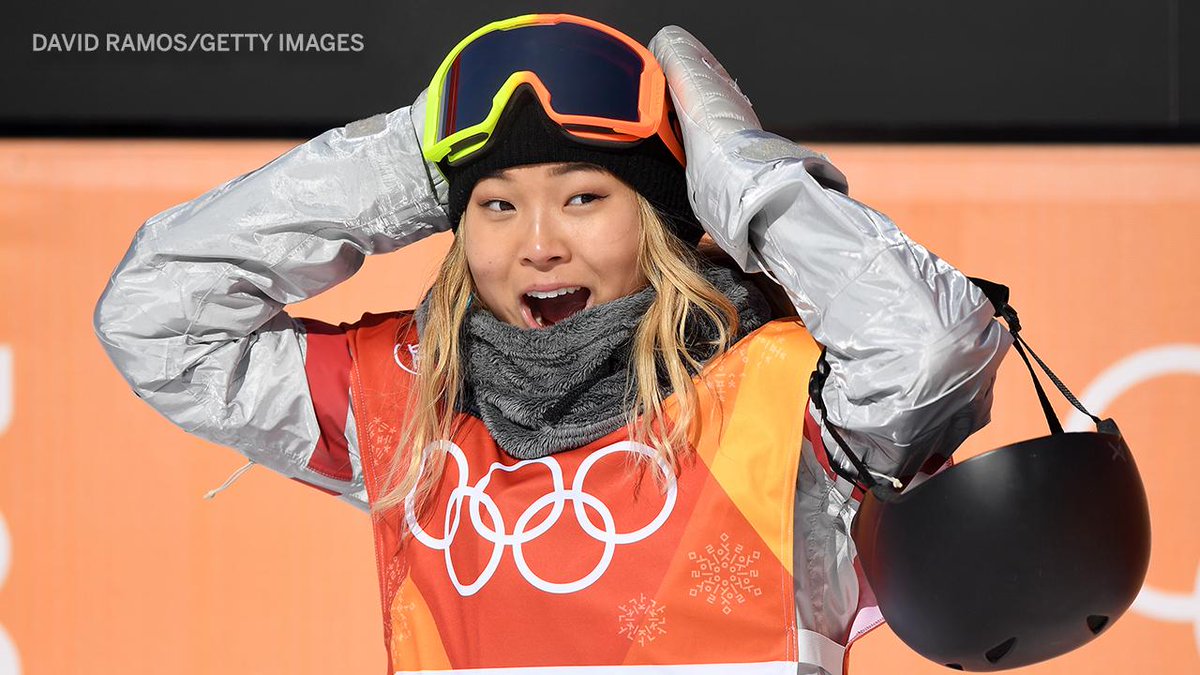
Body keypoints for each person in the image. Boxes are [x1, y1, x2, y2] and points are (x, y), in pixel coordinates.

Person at [94, 14, 1011, 675]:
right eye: (495, 204)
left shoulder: (783, 396)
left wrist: (744, 177)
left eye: (583, 197)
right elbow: (157, 311)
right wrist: (404, 163)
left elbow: (932, 348)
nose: (538, 242)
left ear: (659, 221)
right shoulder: (408, 401)